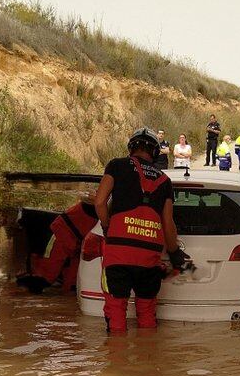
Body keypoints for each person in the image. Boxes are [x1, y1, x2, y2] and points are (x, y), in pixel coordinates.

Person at [95, 127, 189, 332]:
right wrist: (174, 253)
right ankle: (148, 359)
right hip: (148, 257)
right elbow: (168, 223)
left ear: (131, 148)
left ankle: (117, 361)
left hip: (118, 253)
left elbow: (100, 202)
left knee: (116, 310)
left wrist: (107, 227)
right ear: (155, 152)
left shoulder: (116, 166)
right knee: (147, 312)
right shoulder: (165, 180)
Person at [19, 194, 98, 293]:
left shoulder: (103, 203)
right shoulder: (102, 204)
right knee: (46, 276)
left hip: (76, 242)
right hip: (62, 234)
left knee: (74, 283)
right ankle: (25, 286)